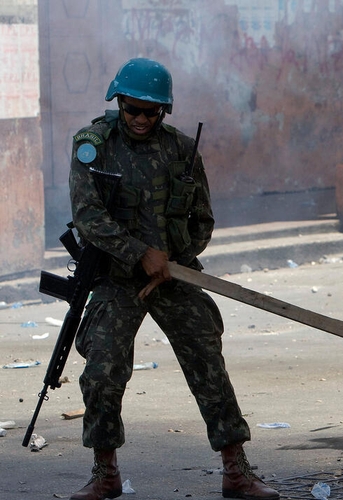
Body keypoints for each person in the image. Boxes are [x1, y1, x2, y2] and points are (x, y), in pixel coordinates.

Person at [67, 57, 280, 500]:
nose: (142, 119)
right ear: (118, 101)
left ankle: (235, 470)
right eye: (133, 109)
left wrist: (176, 262)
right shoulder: (93, 146)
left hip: (173, 275)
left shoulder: (181, 149)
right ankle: (104, 473)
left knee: (207, 360)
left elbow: (203, 218)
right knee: (103, 370)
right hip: (117, 276)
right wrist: (139, 254)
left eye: (152, 111)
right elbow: (88, 218)